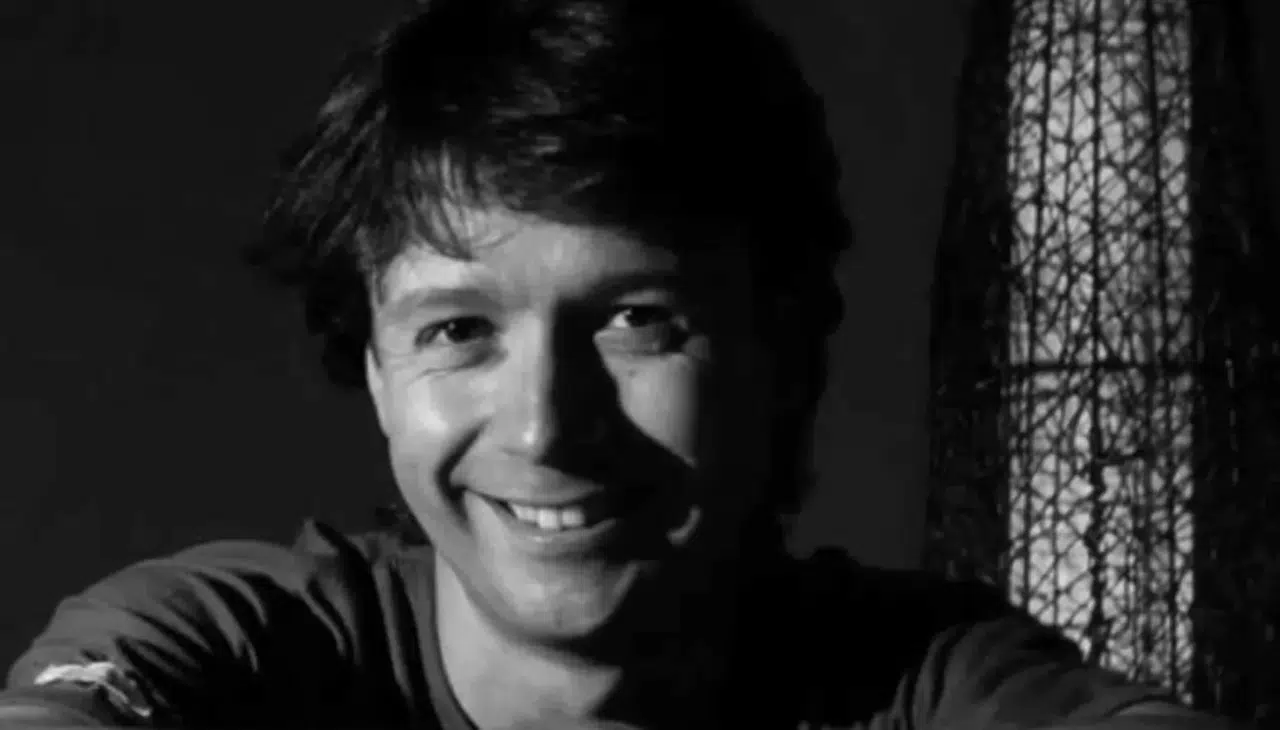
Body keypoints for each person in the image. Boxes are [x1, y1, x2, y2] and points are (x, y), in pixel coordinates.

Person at [0, 0, 1243, 728]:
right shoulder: (227, 644)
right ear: (374, 370)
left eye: (637, 319)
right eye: (456, 330)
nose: (544, 425)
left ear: (785, 349)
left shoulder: (930, 680)